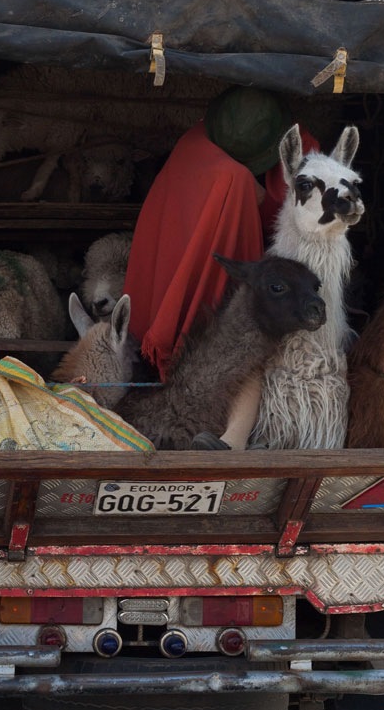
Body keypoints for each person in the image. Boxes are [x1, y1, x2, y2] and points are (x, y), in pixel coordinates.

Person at [122, 86, 318, 449]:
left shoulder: (192, 147)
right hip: (224, 270)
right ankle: (235, 437)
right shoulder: (235, 180)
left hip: (166, 272)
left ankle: (220, 436)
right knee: (247, 341)